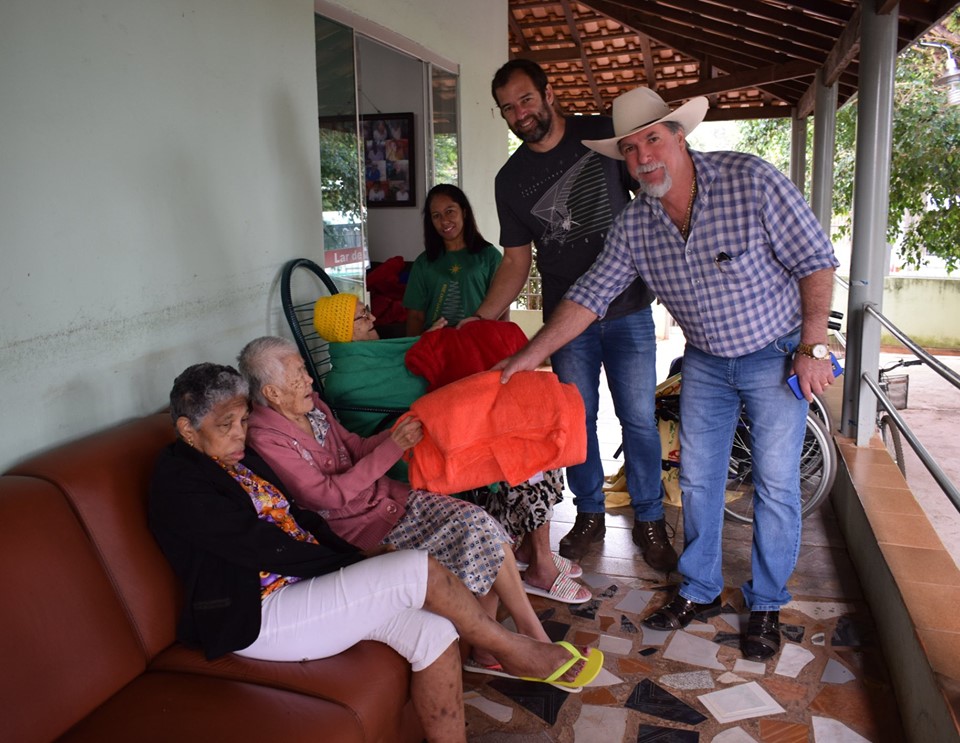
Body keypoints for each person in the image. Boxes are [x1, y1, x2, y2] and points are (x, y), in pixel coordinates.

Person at [497, 85, 840, 661]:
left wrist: (813, 346)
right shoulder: (636, 224)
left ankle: (766, 603)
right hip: (705, 357)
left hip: (775, 352)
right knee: (700, 481)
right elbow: (589, 295)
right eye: (629, 149)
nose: (642, 157)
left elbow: (816, 260)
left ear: (679, 136)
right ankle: (701, 589)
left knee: (776, 484)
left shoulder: (749, 179)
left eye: (652, 139)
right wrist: (529, 357)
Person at [149, 362, 603, 743]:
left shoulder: (241, 461)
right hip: (260, 614)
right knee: (412, 569)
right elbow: (257, 545)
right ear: (188, 429)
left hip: (305, 590)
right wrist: (352, 561)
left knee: (434, 633)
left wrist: (346, 555)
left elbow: (303, 522)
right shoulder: (179, 483)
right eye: (224, 426)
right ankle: (515, 649)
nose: (238, 434)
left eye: (243, 421)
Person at [469, 58, 675, 573]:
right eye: (507, 109)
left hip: (628, 309)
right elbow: (517, 262)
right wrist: (481, 320)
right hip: (567, 321)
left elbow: (655, 194)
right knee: (576, 423)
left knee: (639, 421)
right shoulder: (509, 179)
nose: (519, 113)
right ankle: (589, 515)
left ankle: (650, 519)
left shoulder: (603, 135)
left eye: (525, 99)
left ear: (548, 92)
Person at [311, 293, 589, 605]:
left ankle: (531, 552)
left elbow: (414, 368)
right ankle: (541, 566)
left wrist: (433, 344)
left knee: (536, 429)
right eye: (362, 316)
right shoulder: (349, 378)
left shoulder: (375, 354)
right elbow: (418, 388)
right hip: (410, 450)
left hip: (428, 429)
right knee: (527, 450)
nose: (373, 318)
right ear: (342, 332)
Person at [403, 184, 504, 335]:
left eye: (450, 212)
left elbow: (502, 309)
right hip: (436, 347)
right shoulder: (424, 263)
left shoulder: (490, 256)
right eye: (436, 215)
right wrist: (412, 351)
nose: (444, 221)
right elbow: (416, 316)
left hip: (479, 343)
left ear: (464, 212)